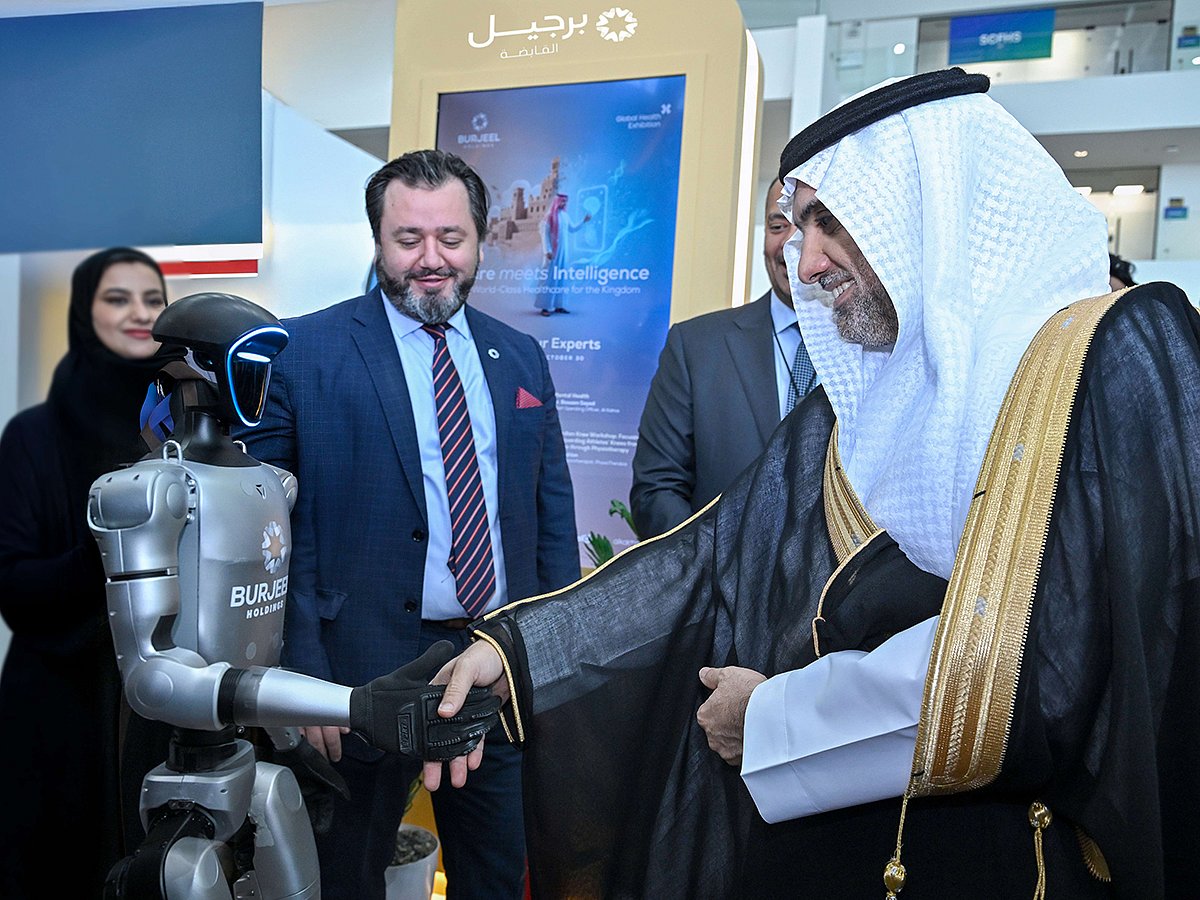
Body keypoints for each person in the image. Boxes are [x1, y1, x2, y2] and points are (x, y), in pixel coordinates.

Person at [425, 69, 1197, 899]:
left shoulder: (1113, 357)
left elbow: (1043, 665)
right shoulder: (866, 394)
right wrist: (522, 650)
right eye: (798, 228)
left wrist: (778, 720)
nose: (808, 260)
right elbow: (712, 554)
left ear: (921, 205)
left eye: (831, 222)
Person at [239, 148, 579, 900]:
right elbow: (272, 536)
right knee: (344, 879)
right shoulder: (302, 353)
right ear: (377, 242)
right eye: (408, 240)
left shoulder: (519, 358)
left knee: (498, 875)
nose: (431, 261)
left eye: (451, 239)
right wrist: (303, 679)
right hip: (356, 676)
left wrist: (550, 655)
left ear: (481, 240)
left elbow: (551, 519)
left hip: (494, 667)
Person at [0, 247, 173, 898]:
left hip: (158, 705)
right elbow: (14, 583)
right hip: (58, 709)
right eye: (117, 298)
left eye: (152, 300)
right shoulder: (33, 437)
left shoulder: (179, 427)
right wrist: (113, 551)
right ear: (84, 310)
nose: (138, 313)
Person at [630, 176, 817, 538]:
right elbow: (656, 490)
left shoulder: (876, 353)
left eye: (811, 224)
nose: (791, 244)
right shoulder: (696, 347)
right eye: (778, 225)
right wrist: (716, 573)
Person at [535, 192, 589, 316]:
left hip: (563, 252)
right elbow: (544, 234)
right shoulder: (549, 216)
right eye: (562, 201)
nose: (564, 204)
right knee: (549, 279)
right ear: (557, 202)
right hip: (552, 253)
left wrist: (583, 221)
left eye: (565, 202)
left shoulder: (565, 215)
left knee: (561, 278)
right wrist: (547, 251)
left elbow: (572, 228)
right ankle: (545, 307)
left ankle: (558, 305)